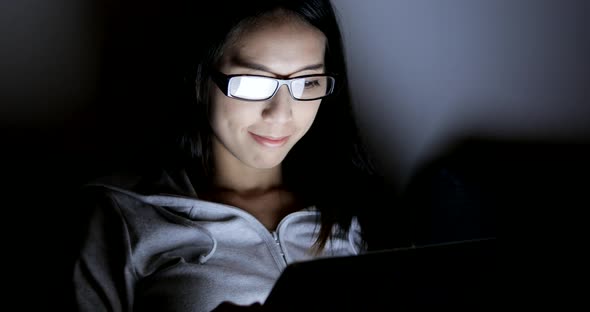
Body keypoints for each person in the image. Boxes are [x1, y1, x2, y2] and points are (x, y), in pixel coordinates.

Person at [73, 0, 399, 311]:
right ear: (201, 79)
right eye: (254, 82)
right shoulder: (124, 217)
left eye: (308, 82)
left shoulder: (359, 212)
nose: (281, 114)